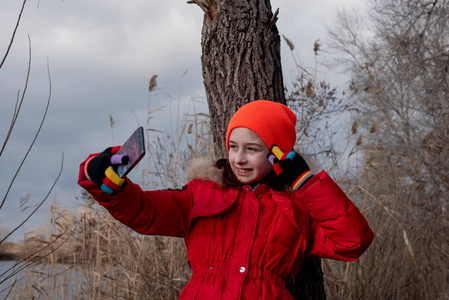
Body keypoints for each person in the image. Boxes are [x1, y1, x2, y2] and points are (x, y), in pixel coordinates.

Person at [78, 100, 374, 299]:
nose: (240, 158)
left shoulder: (296, 209)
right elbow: (146, 211)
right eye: (233, 146)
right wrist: (106, 183)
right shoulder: (201, 193)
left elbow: (351, 241)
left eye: (252, 149)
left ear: (277, 153)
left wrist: (305, 182)